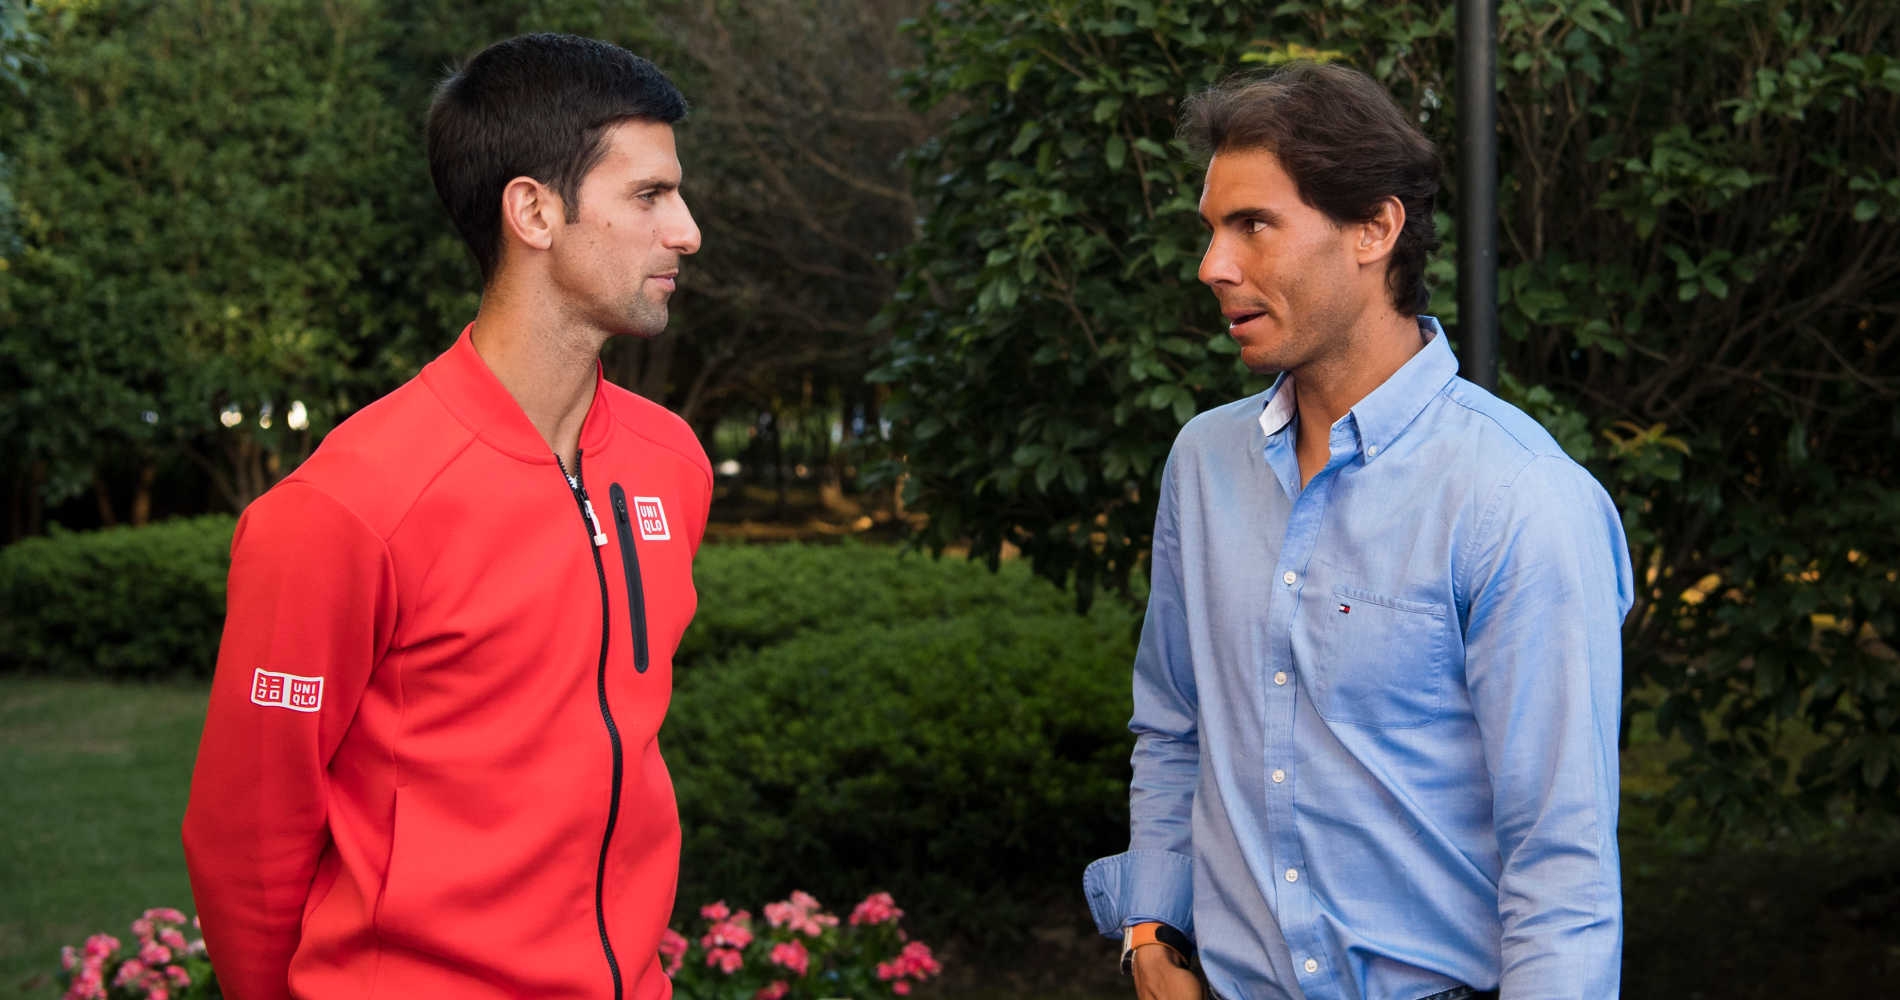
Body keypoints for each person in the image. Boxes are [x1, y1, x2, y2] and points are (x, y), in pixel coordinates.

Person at [1083, 63, 1632, 1000]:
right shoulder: (1204, 464)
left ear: (1375, 229)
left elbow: (1562, 874)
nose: (1214, 265)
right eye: (1212, 229)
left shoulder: (1519, 497)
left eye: (1254, 225)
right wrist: (1149, 930)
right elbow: (1174, 725)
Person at [182, 33, 709, 1000]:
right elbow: (246, 840)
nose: (687, 231)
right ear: (534, 212)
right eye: (649, 196)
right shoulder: (345, 509)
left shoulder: (671, 465)